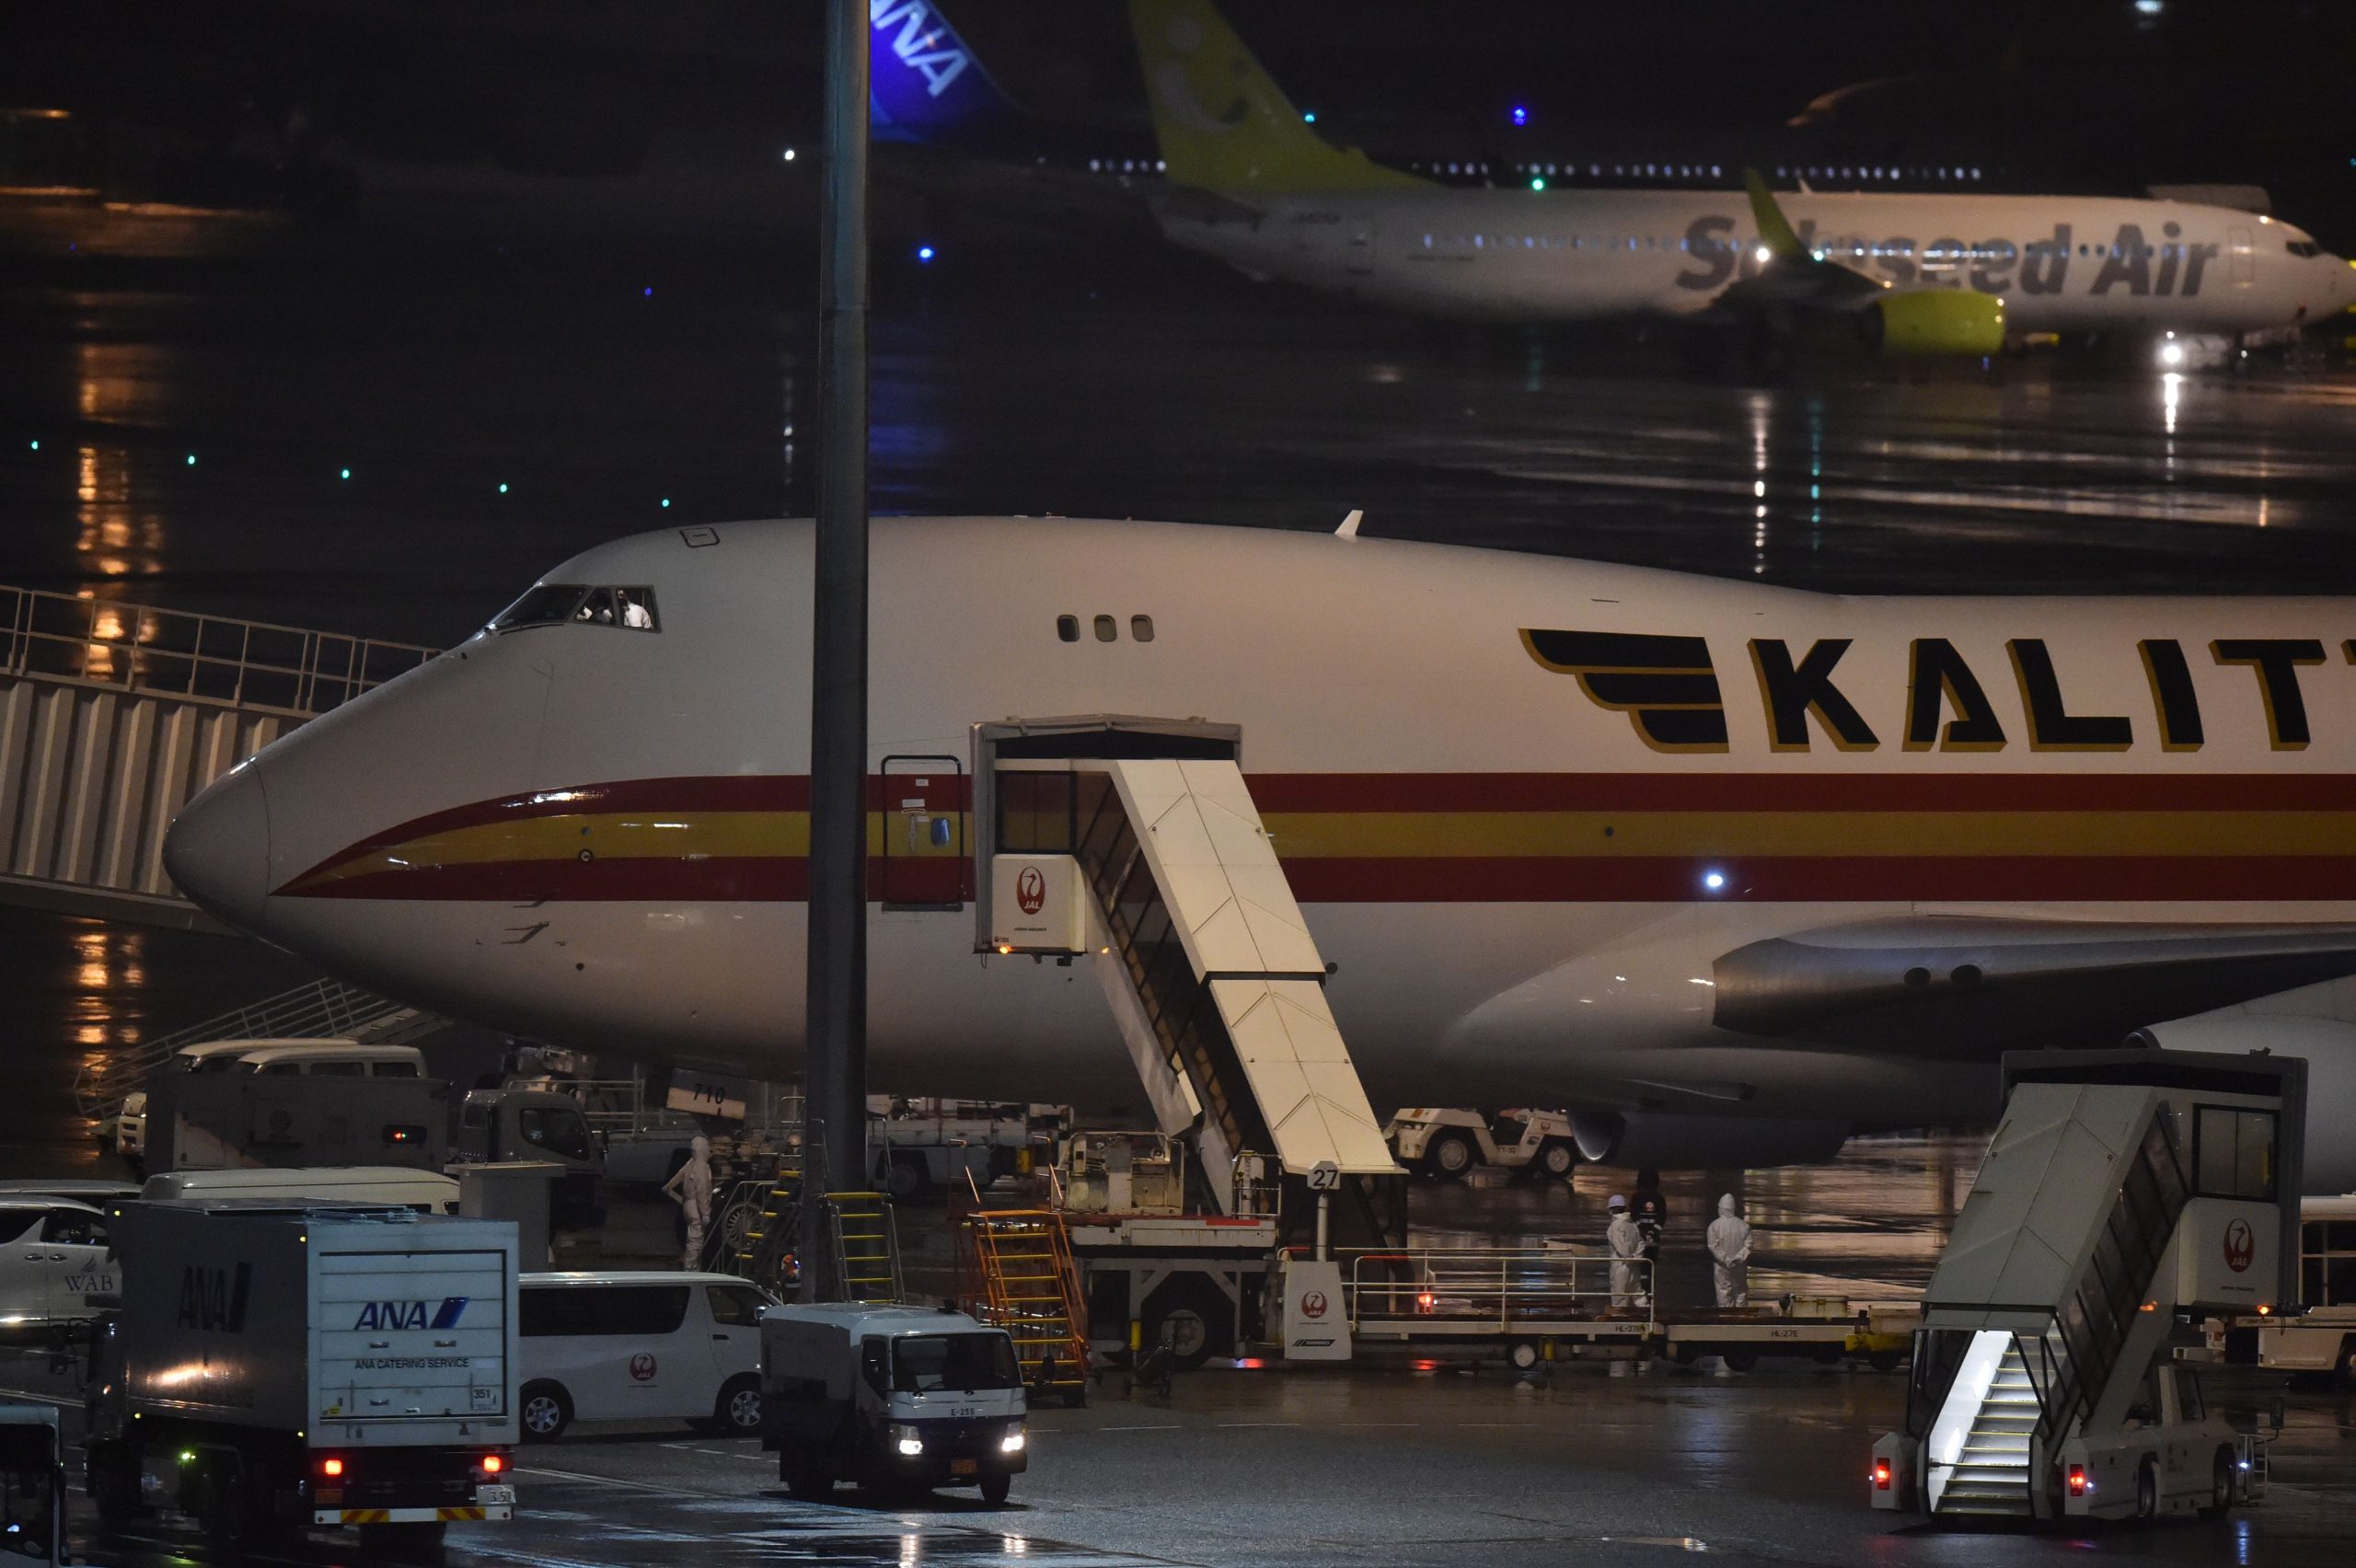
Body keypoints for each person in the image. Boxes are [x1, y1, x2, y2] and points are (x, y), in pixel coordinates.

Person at [663, 1134, 713, 1270]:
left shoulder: (690, 1164)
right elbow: (702, 1192)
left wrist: (682, 1200)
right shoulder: (702, 1167)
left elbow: (669, 1186)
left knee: (691, 1238)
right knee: (695, 1241)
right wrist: (706, 1213)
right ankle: (691, 1269)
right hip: (696, 1207)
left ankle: (690, 1266)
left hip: (688, 1205)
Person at [1706, 1192, 1754, 1308]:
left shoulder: (1714, 1226)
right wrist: (1738, 1258)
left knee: (1723, 1291)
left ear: (1721, 1208)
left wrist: (1725, 1260)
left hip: (1721, 1266)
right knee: (1740, 1291)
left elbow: (1713, 1246)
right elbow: (1749, 1245)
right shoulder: (1743, 1226)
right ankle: (1741, 1316)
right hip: (1739, 1265)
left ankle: (1726, 1317)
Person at [1606, 1193, 1646, 1310]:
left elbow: (1620, 1245)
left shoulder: (1615, 1225)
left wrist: (1628, 1257)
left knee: (1619, 1297)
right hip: (1634, 1265)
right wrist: (1637, 1257)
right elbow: (1641, 1241)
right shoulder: (1632, 1224)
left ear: (1612, 1208)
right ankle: (1648, 1316)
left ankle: (1619, 1322)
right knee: (1638, 1294)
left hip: (1620, 1265)